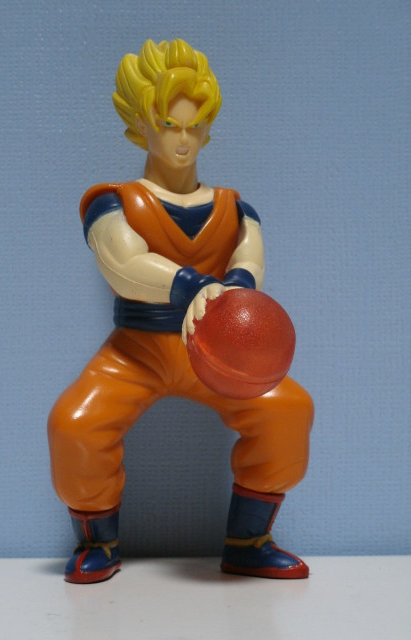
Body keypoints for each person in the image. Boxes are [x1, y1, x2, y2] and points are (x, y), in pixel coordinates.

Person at [48, 38, 314, 584]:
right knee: (75, 423)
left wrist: (236, 288)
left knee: (287, 410)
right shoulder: (113, 202)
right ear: (140, 124)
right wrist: (192, 286)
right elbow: (123, 264)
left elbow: (250, 259)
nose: (184, 139)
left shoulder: (235, 207)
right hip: (136, 349)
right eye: (170, 125)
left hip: (216, 352)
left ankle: (249, 541)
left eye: (195, 126)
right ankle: (97, 543)